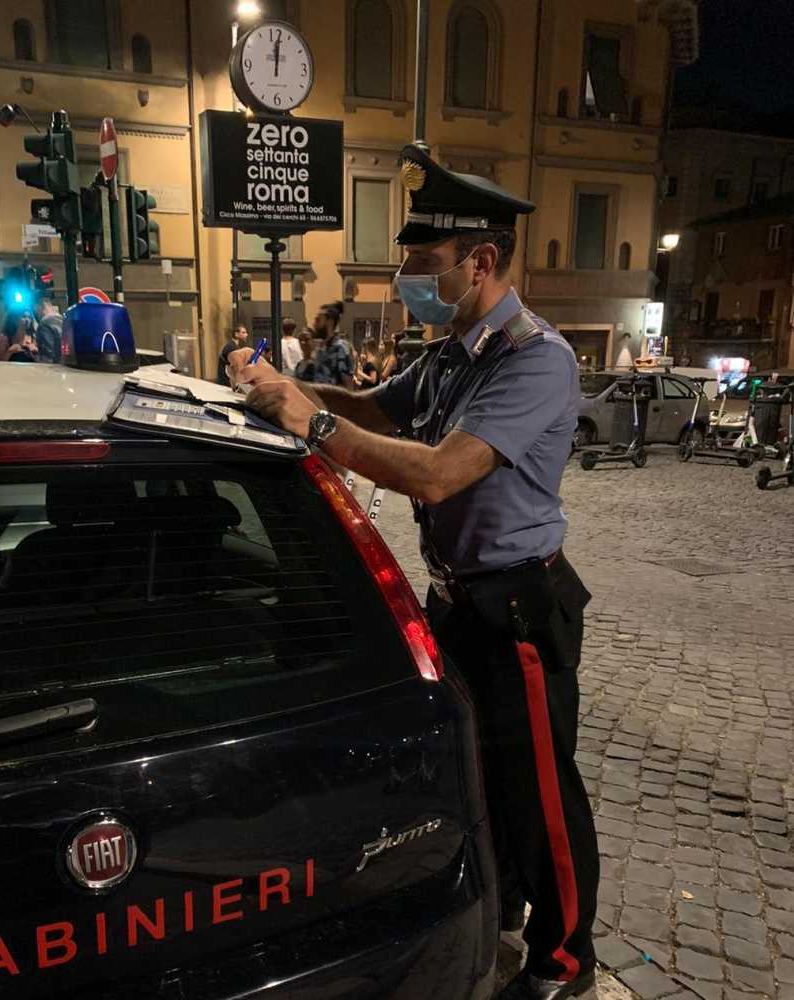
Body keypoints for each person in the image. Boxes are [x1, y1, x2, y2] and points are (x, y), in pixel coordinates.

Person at [230, 145, 598, 1000]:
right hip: (458, 601)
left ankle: (566, 960)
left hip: (518, 609)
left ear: (480, 261)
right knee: (483, 775)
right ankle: (502, 907)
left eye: (421, 265)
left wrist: (311, 424)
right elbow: (374, 407)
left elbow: (435, 471)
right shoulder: (449, 353)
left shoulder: (534, 358)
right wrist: (292, 391)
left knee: (543, 795)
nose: (407, 280)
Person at [312, 301, 353, 388]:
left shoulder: (340, 347)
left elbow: (347, 383)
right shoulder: (320, 349)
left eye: (318, 320)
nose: (314, 324)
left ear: (329, 322)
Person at [34, 295, 63, 364]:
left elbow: (47, 357)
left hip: (54, 370)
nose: (36, 314)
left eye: (35, 309)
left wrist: (34, 356)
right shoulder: (63, 319)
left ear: (39, 307)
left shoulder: (44, 323)